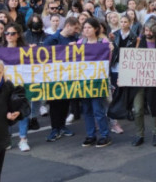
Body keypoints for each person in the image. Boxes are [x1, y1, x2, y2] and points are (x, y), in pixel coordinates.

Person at [76, 18, 112, 148]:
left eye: (89, 28)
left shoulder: (103, 42)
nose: (86, 30)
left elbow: (108, 60)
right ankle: (91, 135)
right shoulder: (80, 42)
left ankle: (104, 135)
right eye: (84, 28)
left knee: (98, 109)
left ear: (96, 29)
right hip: (84, 81)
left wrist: (110, 49)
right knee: (87, 109)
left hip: (97, 80)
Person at [43, 17, 80, 142]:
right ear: (68, 25)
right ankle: (55, 128)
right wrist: (66, 47)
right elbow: (46, 53)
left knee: (65, 102)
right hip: (54, 76)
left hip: (68, 76)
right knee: (54, 103)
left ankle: (62, 126)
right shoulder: (52, 39)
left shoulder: (74, 39)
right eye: (75, 28)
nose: (76, 31)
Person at [130, 20, 156, 147]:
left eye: (150, 30)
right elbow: (130, 60)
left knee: (154, 107)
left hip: (154, 81)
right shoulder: (139, 42)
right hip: (139, 80)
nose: (148, 33)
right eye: (146, 30)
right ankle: (140, 134)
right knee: (138, 109)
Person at [1, 23, 33, 152]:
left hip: (22, 85)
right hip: (6, 86)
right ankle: (7, 138)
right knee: (5, 112)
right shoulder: (0, 50)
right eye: (7, 33)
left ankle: (23, 139)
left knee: (22, 111)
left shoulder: (26, 50)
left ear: (18, 35)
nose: (9, 36)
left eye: (12, 33)